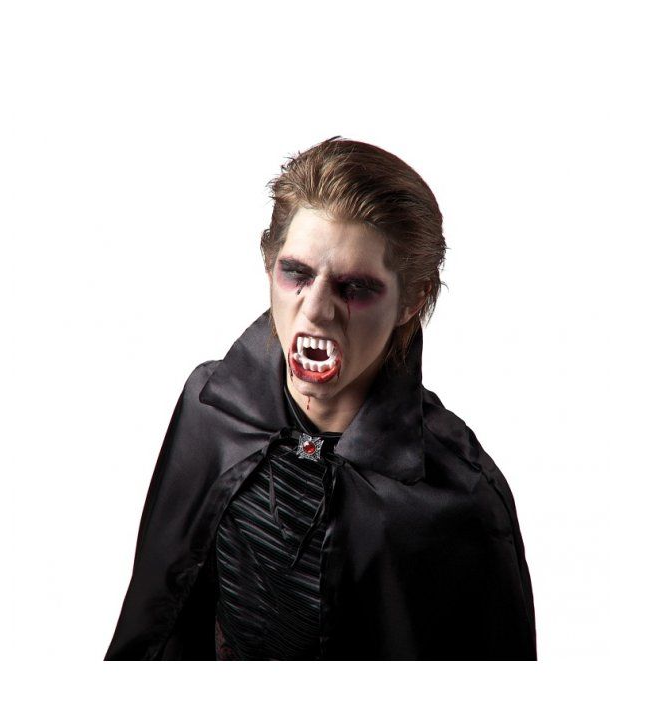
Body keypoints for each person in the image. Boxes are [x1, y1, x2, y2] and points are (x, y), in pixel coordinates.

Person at [105, 137, 536, 660]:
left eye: (354, 287)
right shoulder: (212, 407)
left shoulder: (460, 493)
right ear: (270, 266)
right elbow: (159, 616)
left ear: (412, 300)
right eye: (297, 273)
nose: (315, 310)